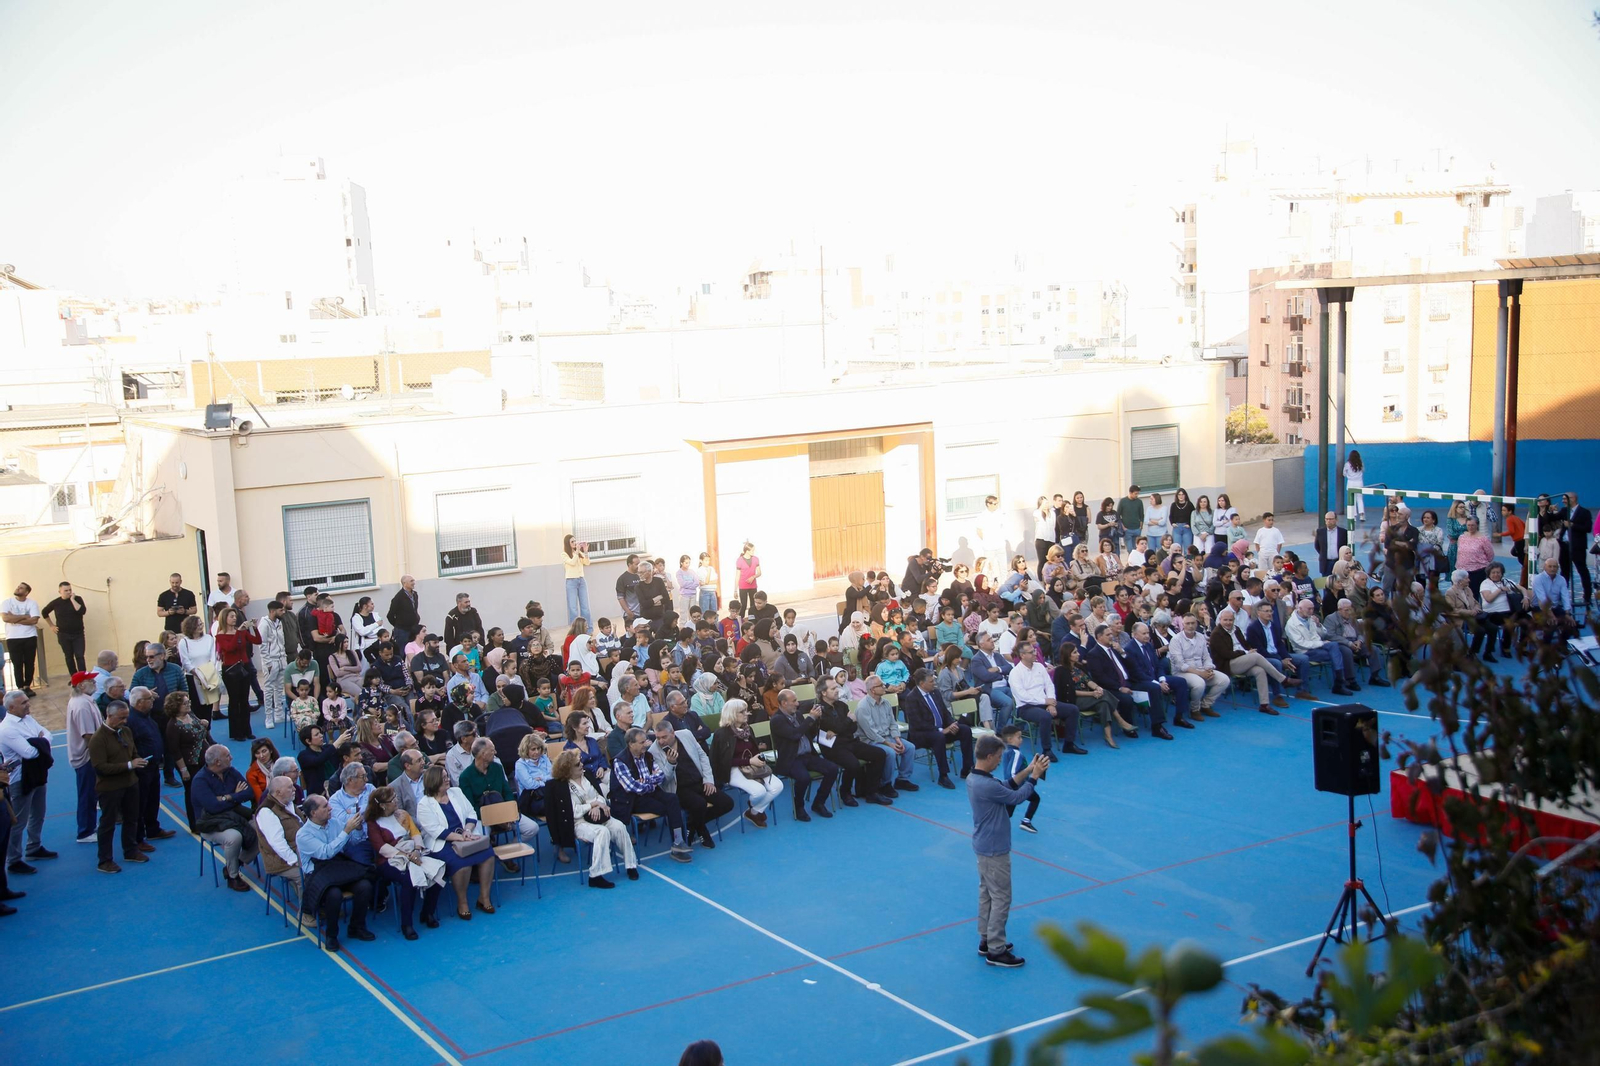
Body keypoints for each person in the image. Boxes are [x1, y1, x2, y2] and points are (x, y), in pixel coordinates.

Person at [968, 734, 1048, 967]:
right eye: (999, 757)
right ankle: (996, 949)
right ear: (990, 756)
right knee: (1002, 897)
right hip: (995, 848)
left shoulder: (975, 778)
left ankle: (986, 938)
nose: (999, 762)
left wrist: (1027, 770)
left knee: (987, 893)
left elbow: (1006, 786)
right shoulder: (986, 784)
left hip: (983, 846)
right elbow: (1015, 796)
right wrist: (1034, 777)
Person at [295, 793, 376, 951]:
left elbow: (354, 841)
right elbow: (325, 853)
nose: (330, 808)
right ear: (313, 813)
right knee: (334, 895)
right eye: (325, 806)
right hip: (319, 873)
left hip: (338, 868)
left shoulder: (334, 823)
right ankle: (331, 935)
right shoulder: (304, 834)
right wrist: (346, 830)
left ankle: (356, 927)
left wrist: (357, 829)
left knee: (364, 886)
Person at [365, 785, 446, 937]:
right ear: (382, 805)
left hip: (412, 853)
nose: (396, 801)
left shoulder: (402, 814)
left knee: (436, 871)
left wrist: (416, 850)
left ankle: (427, 912)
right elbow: (382, 848)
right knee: (409, 881)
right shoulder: (373, 824)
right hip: (389, 861)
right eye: (392, 799)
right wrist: (408, 856)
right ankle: (406, 924)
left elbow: (415, 834)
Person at [417, 765, 496, 921]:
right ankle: (462, 902)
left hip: (466, 836)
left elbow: (471, 813)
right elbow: (436, 831)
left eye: (447, 776)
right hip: (442, 843)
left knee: (488, 855)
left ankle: (484, 898)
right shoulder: (424, 804)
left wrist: (467, 830)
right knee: (462, 865)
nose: (447, 780)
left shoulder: (456, 792)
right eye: (443, 778)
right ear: (434, 782)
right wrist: (461, 838)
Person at [554, 749, 637, 887]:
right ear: (567, 769)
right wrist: (591, 805)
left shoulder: (587, 776)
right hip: (579, 822)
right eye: (576, 764)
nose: (581, 765)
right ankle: (595, 875)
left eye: (580, 762)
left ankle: (631, 865)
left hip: (600, 815)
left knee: (619, 826)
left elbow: (599, 796)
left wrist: (599, 805)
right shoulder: (562, 786)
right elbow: (572, 811)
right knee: (601, 832)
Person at [611, 727, 695, 859]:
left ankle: (679, 841)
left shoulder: (648, 756)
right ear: (631, 744)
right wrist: (650, 781)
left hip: (650, 792)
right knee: (669, 808)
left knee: (673, 799)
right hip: (632, 800)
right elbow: (632, 787)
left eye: (646, 741)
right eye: (642, 742)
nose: (646, 744)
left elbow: (660, 776)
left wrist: (645, 780)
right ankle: (678, 844)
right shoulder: (620, 761)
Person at [88, 700, 150, 875]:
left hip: (130, 784)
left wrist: (137, 762)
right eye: (121, 718)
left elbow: (133, 752)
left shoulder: (126, 731)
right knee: (107, 824)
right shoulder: (98, 739)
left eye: (126, 717)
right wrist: (129, 765)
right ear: (109, 716)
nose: (125, 721)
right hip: (110, 788)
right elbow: (100, 767)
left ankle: (130, 851)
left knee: (132, 818)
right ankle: (105, 860)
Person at [190, 744, 260, 891]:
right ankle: (233, 876)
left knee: (262, 830)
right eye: (227, 755)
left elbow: (249, 793)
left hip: (234, 816)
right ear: (217, 762)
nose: (232, 757)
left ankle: (235, 863)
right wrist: (235, 796)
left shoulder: (230, 772)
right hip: (211, 823)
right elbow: (213, 807)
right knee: (234, 837)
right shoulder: (200, 781)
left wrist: (226, 797)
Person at [651, 720, 732, 847]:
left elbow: (702, 756)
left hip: (699, 781)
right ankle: (702, 831)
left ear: (673, 732)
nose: (661, 741)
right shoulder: (654, 751)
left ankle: (692, 825)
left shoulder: (686, 734)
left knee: (727, 803)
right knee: (699, 804)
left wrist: (708, 780)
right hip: (678, 788)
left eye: (664, 737)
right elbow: (664, 780)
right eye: (658, 738)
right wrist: (671, 763)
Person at [1, 690, 53, 876]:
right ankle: (13, 859)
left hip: (37, 773)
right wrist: (40, 740)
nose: (28, 704)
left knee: (39, 813)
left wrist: (37, 741)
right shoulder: (7, 729)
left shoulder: (28, 719)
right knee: (18, 821)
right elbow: (29, 752)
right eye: (23, 703)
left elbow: (47, 735)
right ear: (12, 707)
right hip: (20, 779)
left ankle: (34, 847)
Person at [709, 698, 785, 826]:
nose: (747, 714)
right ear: (732, 714)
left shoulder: (748, 729)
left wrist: (758, 759)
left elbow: (754, 751)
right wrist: (749, 760)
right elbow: (722, 761)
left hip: (753, 766)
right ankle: (756, 809)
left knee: (778, 786)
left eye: (746, 711)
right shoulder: (721, 734)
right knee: (759, 791)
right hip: (733, 769)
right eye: (742, 712)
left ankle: (754, 811)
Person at [770, 688, 840, 821]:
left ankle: (819, 803)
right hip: (792, 759)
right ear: (784, 703)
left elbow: (808, 733)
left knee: (832, 769)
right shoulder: (777, 719)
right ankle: (799, 807)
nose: (797, 704)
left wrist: (816, 721)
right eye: (794, 701)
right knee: (804, 778)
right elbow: (794, 735)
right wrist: (811, 718)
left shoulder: (798, 715)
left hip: (807, 755)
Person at [1210, 607, 1290, 715]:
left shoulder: (1236, 629)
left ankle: (1264, 704)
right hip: (1228, 664)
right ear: (1220, 620)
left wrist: (1249, 650)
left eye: (1230, 620)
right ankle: (1283, 679)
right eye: (1225, 620)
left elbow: (1245, 644)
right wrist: (1246, 653)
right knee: (1256, 656)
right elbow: (1226, 654)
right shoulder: (1216, 634)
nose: (1228, 622)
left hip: (1242, 661)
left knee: (1260, 670)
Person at [905, 667, 973, 788]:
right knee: (939, 737)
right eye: (931, 682)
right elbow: (918, 723)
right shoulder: (911, 698)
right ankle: (943, 775)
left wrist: (952, 724)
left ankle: (967, 768)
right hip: (923, 734)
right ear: (922, 683)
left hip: (941, 730)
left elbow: (944, 712)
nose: (934, 683)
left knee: (965, 730)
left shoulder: (935, 692)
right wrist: (940, 730)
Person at [1009, 640, 1073, 759]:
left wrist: (1051, 703)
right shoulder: (1015, 673)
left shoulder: (1039, 667)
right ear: (1022, 655)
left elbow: (1049, 685)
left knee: (1072, 710)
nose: (1035, 653)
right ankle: (1046, 750)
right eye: (1031, 652)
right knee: (1045, 716)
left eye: (1034, 650)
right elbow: (1023, 696)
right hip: (1025, 707)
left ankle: (1069, 744)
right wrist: (1045, 701)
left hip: (1045, 702)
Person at [1286, 599, 1359, 696]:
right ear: (1299, 608)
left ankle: (1339, 682)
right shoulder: (1291, 624)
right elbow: (1301, 643)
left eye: (1312, 609)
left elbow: (1324, 634)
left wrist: (1319, 625)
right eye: (1309, 609)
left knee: (1334, 646)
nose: (1311, 611)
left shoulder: (1310, 619)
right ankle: (1339, 683)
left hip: (1318, 646)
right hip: (1305, 651)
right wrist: (1321, 644)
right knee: (1336, 653)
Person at [256, 775, 304, 893]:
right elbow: (277, 844)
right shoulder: (267, 812)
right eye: (290, 787)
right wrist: (295, 860)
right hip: (281, 861)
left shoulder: (288, 803)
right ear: (278, 792)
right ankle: (305, 910)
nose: (294, 789)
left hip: (300, 851)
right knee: (306, 875)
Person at [997, 723, 1041, 833]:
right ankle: (1026, 821)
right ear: (1010, 739)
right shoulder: (1016, 754)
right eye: (1019, 737)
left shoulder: (1007, 752)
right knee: (1035, 799)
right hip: (1018, 787)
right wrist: (1017, 787)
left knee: (1009, 812)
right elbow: (1012, 773)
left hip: (1011, 787)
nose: (1021, 740)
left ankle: (996, 827)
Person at [2, 583, 42, 696]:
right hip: (13, 638)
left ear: (26, 592)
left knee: (30, 663)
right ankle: (20, 688)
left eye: (21, 588)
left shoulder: (32, 603)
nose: (18, 588)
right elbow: (5, 618)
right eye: (18, 587)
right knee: (17, 663)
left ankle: (27, 686)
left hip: (29, 637)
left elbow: (34, 620)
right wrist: (25, 616)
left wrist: (13, 618)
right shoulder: (7, 602)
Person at [40, 581, 88, 675]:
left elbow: (82, 611)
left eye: (70, 590)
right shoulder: (56, 603)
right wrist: (51, 626)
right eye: (66, 590)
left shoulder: (77, 599)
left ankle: (83, 677)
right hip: (63, 634)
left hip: (78, 634)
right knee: (69, 657)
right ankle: (74, 677)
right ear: (60, 591)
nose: (69, 592)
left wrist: (73, 600)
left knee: (80, 656)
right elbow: (44, 612)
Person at [387, 574, 421, 649]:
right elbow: (390, 615)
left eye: (413, 580)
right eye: (411, 581)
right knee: (403, 651)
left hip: (413, 628)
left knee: (414, 649)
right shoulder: (398, 598)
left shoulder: (415, 594)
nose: (414, 582)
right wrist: (399, 625)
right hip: (403, 631)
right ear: (404, 583)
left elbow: (414, 610)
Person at [1313, 512, 1349, 578]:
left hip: (1339, 562)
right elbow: (1317, 546)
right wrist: (1323, 554)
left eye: (1331, 519)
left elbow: (1345, 546)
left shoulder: (1343, 532)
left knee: (1340, 582)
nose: (1328, 521)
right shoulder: (1320, 532)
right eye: (1327, 519)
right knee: (1326, 584)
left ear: (1336, 519)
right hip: (1326, 563)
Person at [735, 541, 762, 610]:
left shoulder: (756, 559)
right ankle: (741, 619)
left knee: (753, 605)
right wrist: (735, 590)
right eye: (752, 550)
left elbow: (759, 572)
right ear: (747, 551)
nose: (754, 552)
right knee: (743, 605)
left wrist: (753, 577)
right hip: (743, 586)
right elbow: (737, 576)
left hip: (753, 585)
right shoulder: (740, 560)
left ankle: (753, 620)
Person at [1343, 450, 1366, 520]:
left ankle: (1354, 516)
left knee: (1352, 500)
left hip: (1350, 483)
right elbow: (1363, 471)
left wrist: (1348, 475)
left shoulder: (1347, 464)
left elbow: (1344, 473)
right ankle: (1362, 515)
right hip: (1359, 483)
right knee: (1360, 499)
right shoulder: (1360, 463)